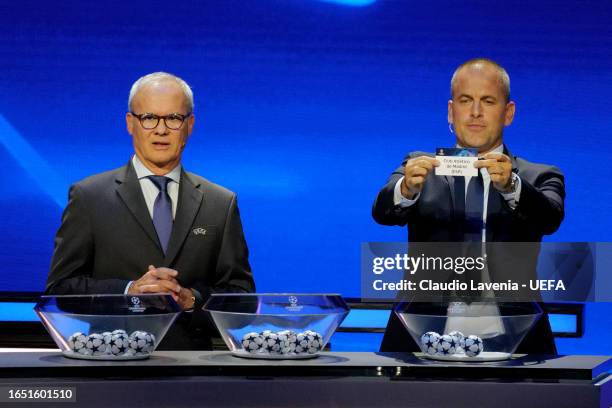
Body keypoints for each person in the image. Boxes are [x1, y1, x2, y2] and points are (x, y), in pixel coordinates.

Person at [45, 72, 255, 349]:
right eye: (149, 118)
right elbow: (59, 291)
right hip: (111, 367)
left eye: (173, 118)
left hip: (192, 372)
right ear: (130, 123)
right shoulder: (89, 197)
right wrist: (128, 291)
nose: (161, 129)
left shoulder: (220, 202)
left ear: (190, 125)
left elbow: (241, 301)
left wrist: (190, 299)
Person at [372, 58, 565, 354]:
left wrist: (512, 186)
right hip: (422, 335)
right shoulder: (419, 167)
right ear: (451, 111)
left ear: (508, 113)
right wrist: (407, 187)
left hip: (516, 337)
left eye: (488, 101)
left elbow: (549, 218)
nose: (475, 112)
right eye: (466, 101)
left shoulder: (538, 176)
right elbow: (383, 211)